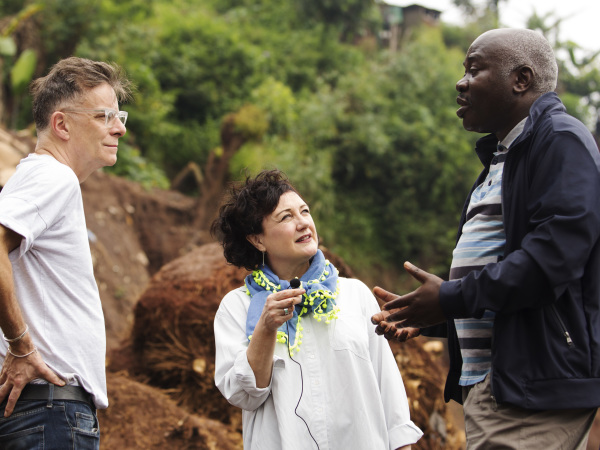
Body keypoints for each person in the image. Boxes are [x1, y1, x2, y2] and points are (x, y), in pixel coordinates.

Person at [371, 28, 600, 449]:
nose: (461, 83)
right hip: (502, 384)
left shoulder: (560, 140)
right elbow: (503, 281)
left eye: (474, 69)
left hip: (530, 388)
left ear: (521, 79)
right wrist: (433, 315)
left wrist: (451, 297)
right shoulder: (502, 159)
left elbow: (552, 260)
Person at [212, 170, 422, 450]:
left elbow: (388, 386)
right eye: (286, 217)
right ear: (257, 240)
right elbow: (243, 395)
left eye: (304, 212)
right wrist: (265, 327)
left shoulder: (354, 294)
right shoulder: (237, 307)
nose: (303, 223)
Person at [0, 56, 131, 448]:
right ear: (62, 125)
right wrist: (21, 345)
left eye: (119, 115)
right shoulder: (53, 177)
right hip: (49, 412)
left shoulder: (34, 179)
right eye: (104, 116)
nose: (120, 128)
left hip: (41, 411)